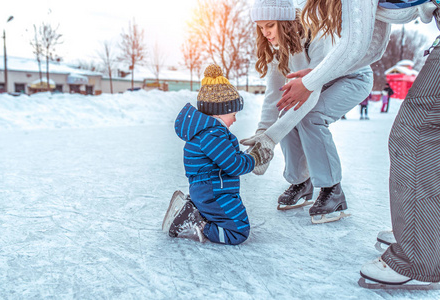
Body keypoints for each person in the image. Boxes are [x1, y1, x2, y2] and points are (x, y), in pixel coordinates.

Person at [274, 0, 440, 287]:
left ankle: (419, 257)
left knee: (416, 131)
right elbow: (372, 47)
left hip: (356, 78)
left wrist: (313, 80)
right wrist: (315, 76)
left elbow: (353, 45)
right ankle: (424, 233)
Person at [242, 0, 373, 223]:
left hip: (352, 78)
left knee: (311, 118)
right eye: (261, 27)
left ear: (285, 22)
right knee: (286, 117)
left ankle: (333, 191)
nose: (265, 33)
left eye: (270, 25)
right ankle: (301, 182)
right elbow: (275, 93)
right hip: (315, 83)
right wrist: (264, 131)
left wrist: (271, 138)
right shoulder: (278, 47)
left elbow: (312, 92)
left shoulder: (316, 31)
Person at [162, 64, 272, 245]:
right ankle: (197, 220)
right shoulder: (212, 134)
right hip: (214, 193)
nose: (235, 119)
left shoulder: (208, 133)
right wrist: (255, 158)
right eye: (233, 114)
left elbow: (227, 160)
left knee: (234, 220)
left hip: (210, 190)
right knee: (238, 231)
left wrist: (246, 155)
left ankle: (196, 210)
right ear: (220, 112)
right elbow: (234, 165)